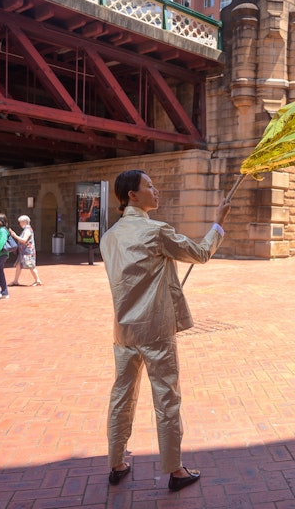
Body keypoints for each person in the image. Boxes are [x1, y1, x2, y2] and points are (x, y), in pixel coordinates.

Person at [99, 170, 230, 491]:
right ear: (132, 195)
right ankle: (175, 470)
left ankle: (116, 462)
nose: (155, 191)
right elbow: (200, 253)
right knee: (167, 398)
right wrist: (218, 222)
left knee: (121, 395)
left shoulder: (109, 237)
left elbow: (134, 279)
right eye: (149, 186)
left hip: (124, 329)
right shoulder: (155, 232)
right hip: (155, 329)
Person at [8, 215, 43, 287]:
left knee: (31, 266)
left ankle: (37, 280)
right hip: (23, 251)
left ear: (24, 222)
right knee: (18, 265)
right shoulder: (27, 229)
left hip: (27, 252)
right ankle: (15, 280)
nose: (20, 224)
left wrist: (15, 236)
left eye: (20, 222)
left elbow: (24, 240)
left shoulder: (27, 230)